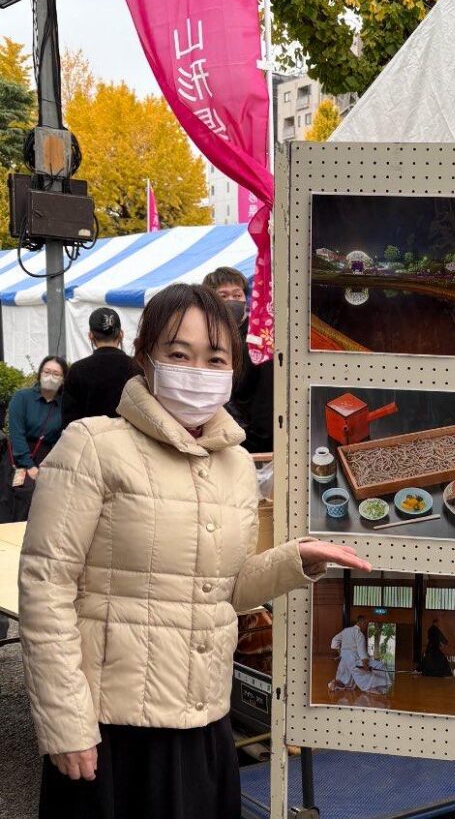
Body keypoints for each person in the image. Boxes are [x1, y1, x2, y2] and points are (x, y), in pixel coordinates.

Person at [18, 283, 371, 818]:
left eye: (215, 358)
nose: (197, 370)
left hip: (204, 721)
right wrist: (66, 723)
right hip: (112, 728)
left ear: (233, 369)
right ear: (145, 357)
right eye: (179, 354)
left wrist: (295, 560)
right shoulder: (92, 445)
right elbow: (46, 589)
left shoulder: (235, 465)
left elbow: (225, 589)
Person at [203, 267, 273, 455]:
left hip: (250, 445)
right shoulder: (205, 339)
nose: (232, 301)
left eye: (237, 295)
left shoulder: (258, 341)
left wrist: (253, 444)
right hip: (217, 439)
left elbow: (265, 401)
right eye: (223, 296)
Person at [0, 356, 66, 523]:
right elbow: (16, 434)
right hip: (19, 456)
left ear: (63, 379)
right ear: (40, 373)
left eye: (56, 374)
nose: (50, 377)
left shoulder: (64, 405)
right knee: (13, 501)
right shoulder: (22, 397)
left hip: (47, 460)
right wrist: (29, 466)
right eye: (47, 372)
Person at [61, 308, 143, 428]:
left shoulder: (77, 370)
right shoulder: (137, 367)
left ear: (90, 335)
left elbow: (69, 421)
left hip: (89, 437)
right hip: (131, 437)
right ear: (121, 334)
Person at [329, 616, 390, 694]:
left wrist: (341, 652)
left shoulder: (346, 630)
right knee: (380, 666)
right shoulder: (359, 634)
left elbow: (334, 641)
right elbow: (362, 652)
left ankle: (334, 684)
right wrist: (365, 665)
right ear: (361, 622)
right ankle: (374, 688)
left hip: (344, 659)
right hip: (354, 660)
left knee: (345, 680)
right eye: (366, 624)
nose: (366, 626)